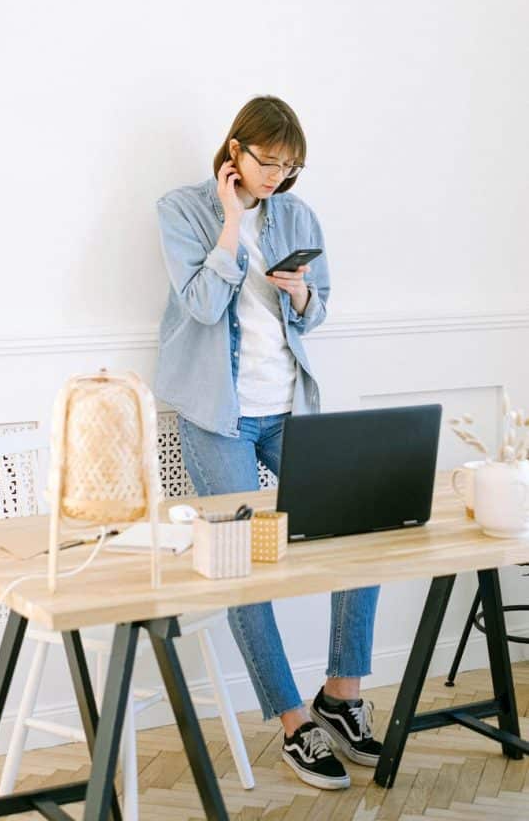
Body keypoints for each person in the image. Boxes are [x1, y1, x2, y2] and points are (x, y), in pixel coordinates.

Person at [154, 95, 381, 790]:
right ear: (234, 152)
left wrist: (301, 294)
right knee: (242, 567)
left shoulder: (296, 215)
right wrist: (230, 226)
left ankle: (339, 696)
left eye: (289, 167)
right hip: (217, 413)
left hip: (286, 406)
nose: (277, 178)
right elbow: (198, 305)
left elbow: (317, 314)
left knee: (358, 529)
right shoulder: (181, 209)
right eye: (267, 163)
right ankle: (291, 723)